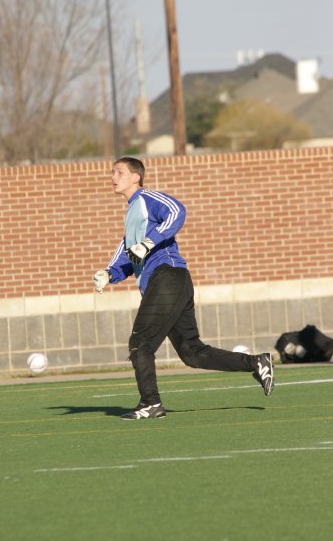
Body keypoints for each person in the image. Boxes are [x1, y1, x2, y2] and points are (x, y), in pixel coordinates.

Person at [93, 156, 274, 420]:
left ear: (136, 177)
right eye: (112, 172)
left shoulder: (147, 199)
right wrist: (110, 274)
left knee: (140, 343)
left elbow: (177, 211)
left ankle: (150, 403)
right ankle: (257, 362)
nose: (113, 177)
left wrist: (149, 242)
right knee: (192, 353)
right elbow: (128, 254)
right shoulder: (132, 213)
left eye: (119, 172)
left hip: (168, 277)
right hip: (169, 284)